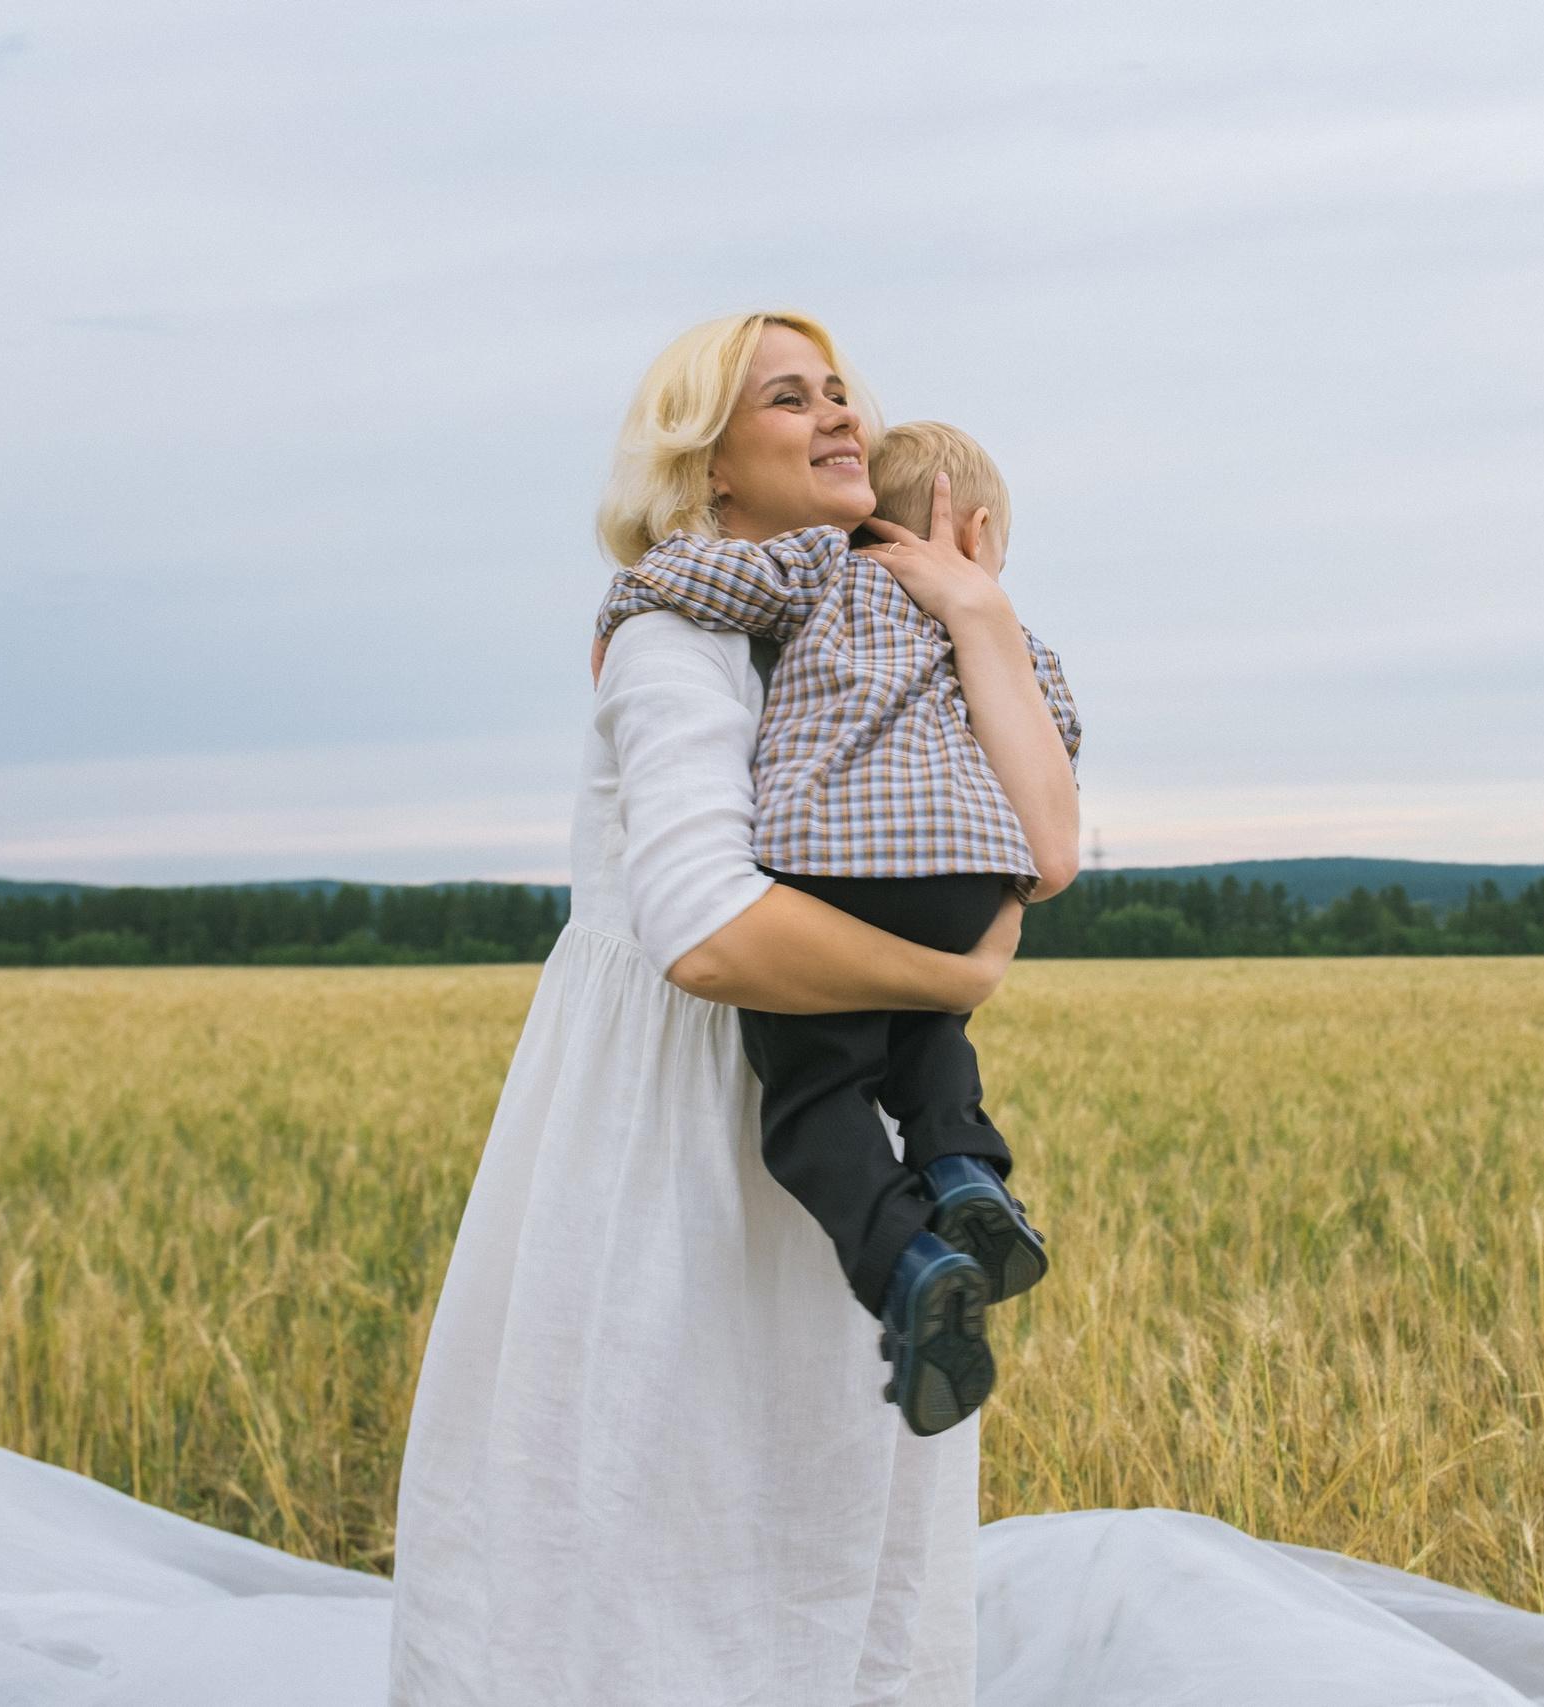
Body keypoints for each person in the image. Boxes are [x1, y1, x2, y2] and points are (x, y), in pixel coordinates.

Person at [385, 312, 1078, 1707]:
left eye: (841, 392)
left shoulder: (879, 628)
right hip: (675, 1123)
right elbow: (703, 931)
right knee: (662, 1485)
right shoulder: (672, 633)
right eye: (787, 397)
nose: (837, 415)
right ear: (706, 467)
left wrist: (983, 610)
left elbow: (1048, 844)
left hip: (825, 1091)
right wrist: (951, 978)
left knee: (824, 1481)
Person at [590, 420, 1080, 1440]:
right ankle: (961, 1170)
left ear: (864, 516)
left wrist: (626, 597)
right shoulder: (1014, 639)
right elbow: (1057, 744)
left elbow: (712, 582)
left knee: (814, 1094)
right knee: (928, 1026)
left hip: (834, 866)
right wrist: (983, 618)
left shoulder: (821, 565)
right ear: (982, 530)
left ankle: (908, 1261)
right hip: (969, 878)